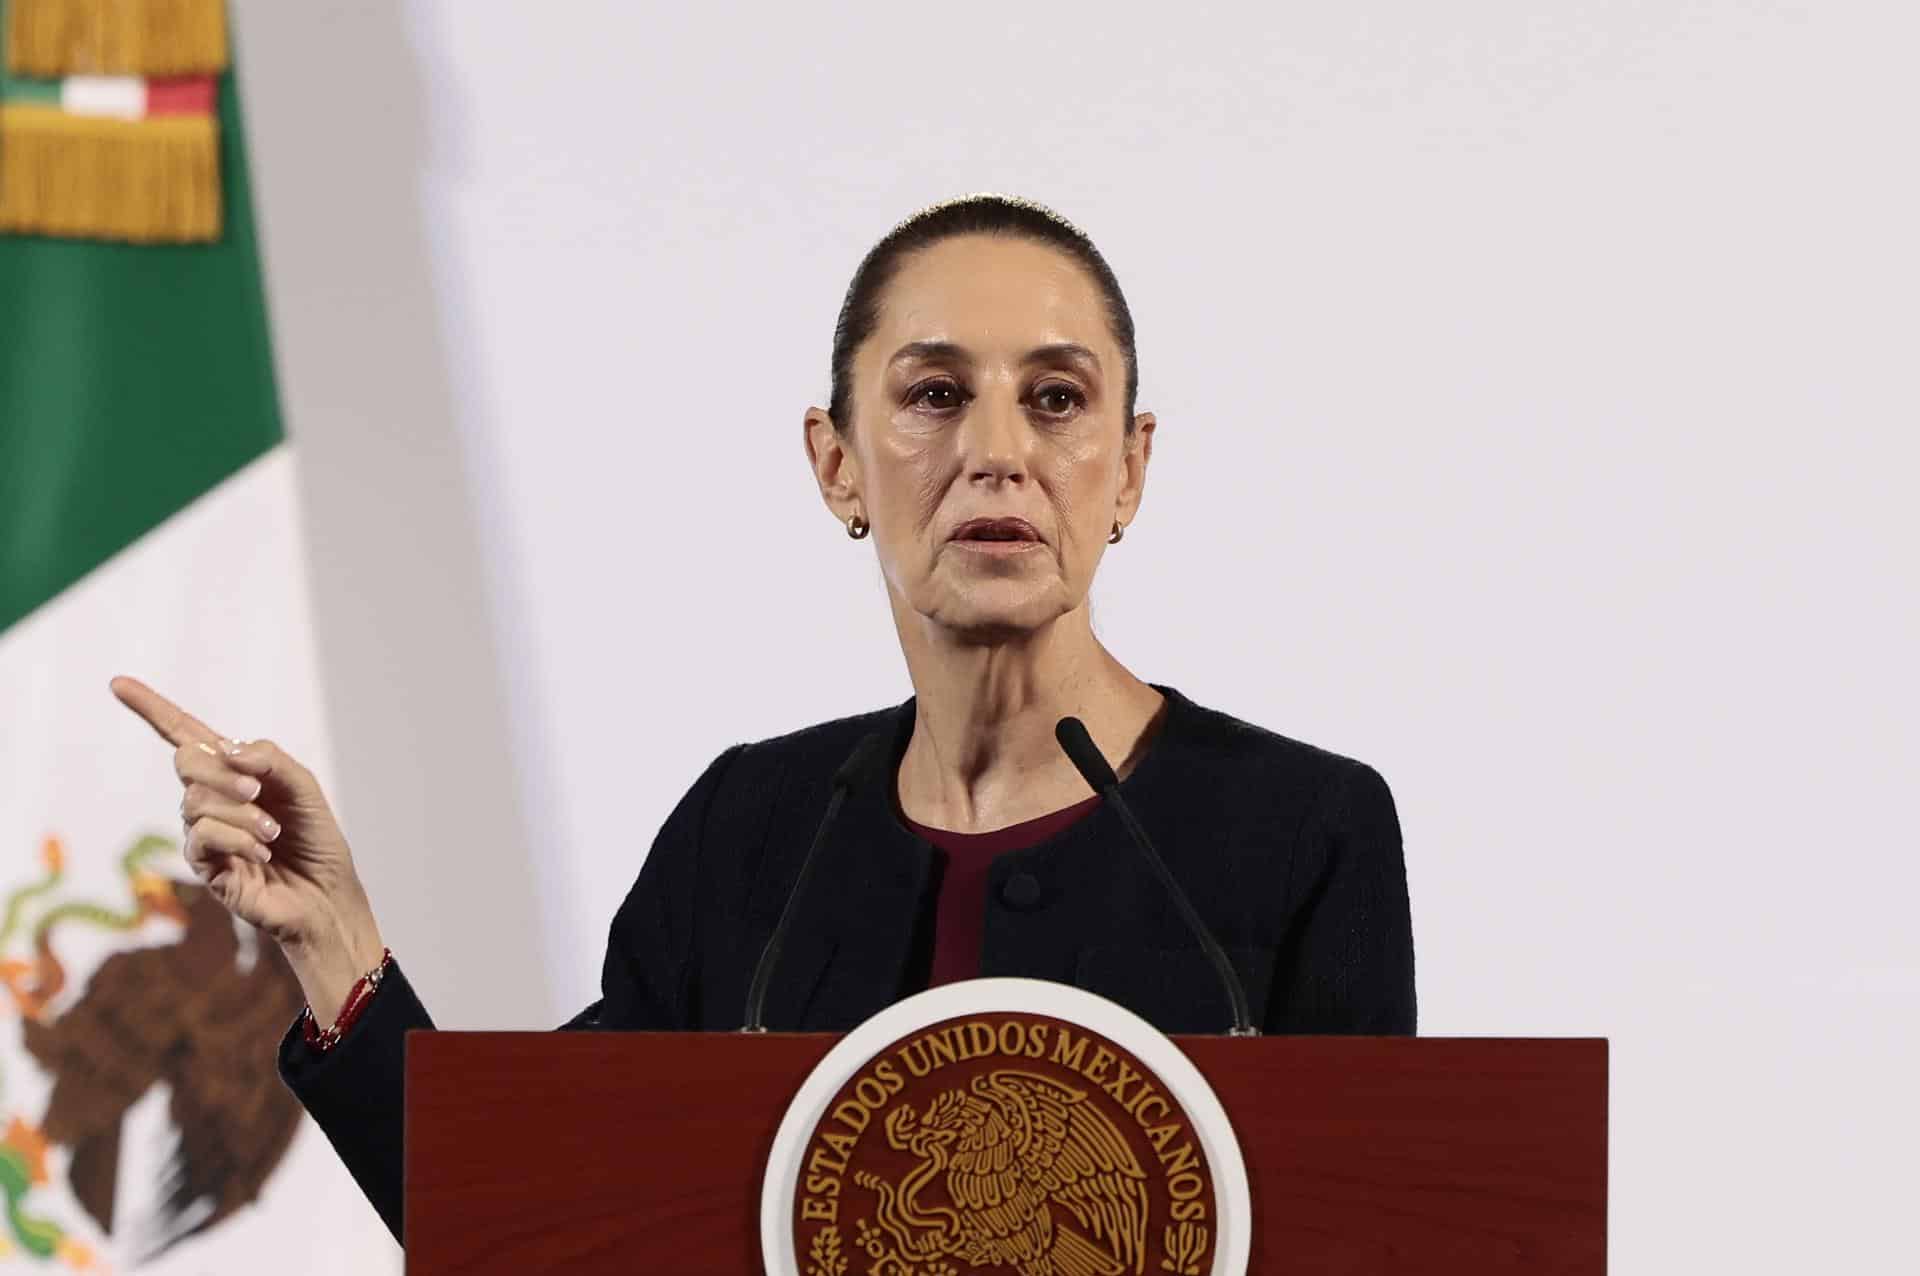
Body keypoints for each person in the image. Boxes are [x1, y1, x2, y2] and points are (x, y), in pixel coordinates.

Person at [110, 193, 1416, 1244]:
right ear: (837, 459)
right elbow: (522, 1219)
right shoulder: (755, 828)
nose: (997, 451)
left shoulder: (1301, 829)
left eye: (1058, 399)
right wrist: (332, 939)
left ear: (1127, 469)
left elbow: (1383, 1234)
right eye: (935, 395)